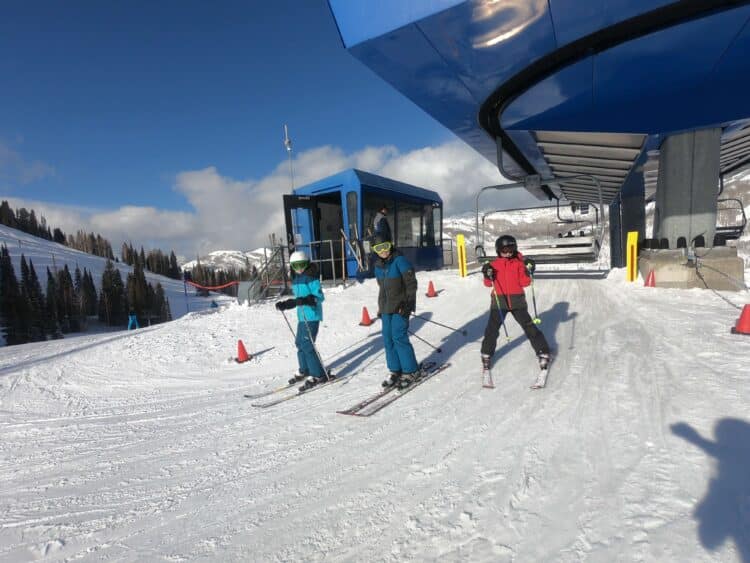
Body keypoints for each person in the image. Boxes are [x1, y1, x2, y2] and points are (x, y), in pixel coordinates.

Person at [480, 235, 551, 374]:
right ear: (498, 250)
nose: (508, 253)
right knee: (492, 330)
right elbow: (488, 284)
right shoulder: (494, 265)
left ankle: (543, 351)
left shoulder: (519, 263)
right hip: (499, 302)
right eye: (504, 250)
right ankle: (486, 354)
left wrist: (528, 271)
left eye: (511, 249)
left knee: (529, 327)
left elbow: (525, 283)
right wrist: (487, 274)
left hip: (517, 301)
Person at [371, 233, 420, 389]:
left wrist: (408, 303)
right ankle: (395, 370)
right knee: (387, 338)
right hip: (386, 308)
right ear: (374, 250)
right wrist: (381, 306)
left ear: (390, 244)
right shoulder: (378, 266)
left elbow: (411, 284)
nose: (383, 251)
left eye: (385, 246)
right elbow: (383, 289)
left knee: (398, 336)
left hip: (401, 307)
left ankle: (411, 370)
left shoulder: (400, 260)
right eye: (379, 248)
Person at [275, 250, 327, 391]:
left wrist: (310, 299)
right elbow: (298, 299)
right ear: (292, 266)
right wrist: (286, 304)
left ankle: (318, 374)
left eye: (302, 264)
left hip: (312, 316)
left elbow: (320, 297)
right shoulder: (296, 279)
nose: (299, 268)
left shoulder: (311, 277)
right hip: (302, 317)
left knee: (307, 344)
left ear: (307, 263)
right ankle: (305, 369)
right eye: (295, 265)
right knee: (299, 342)